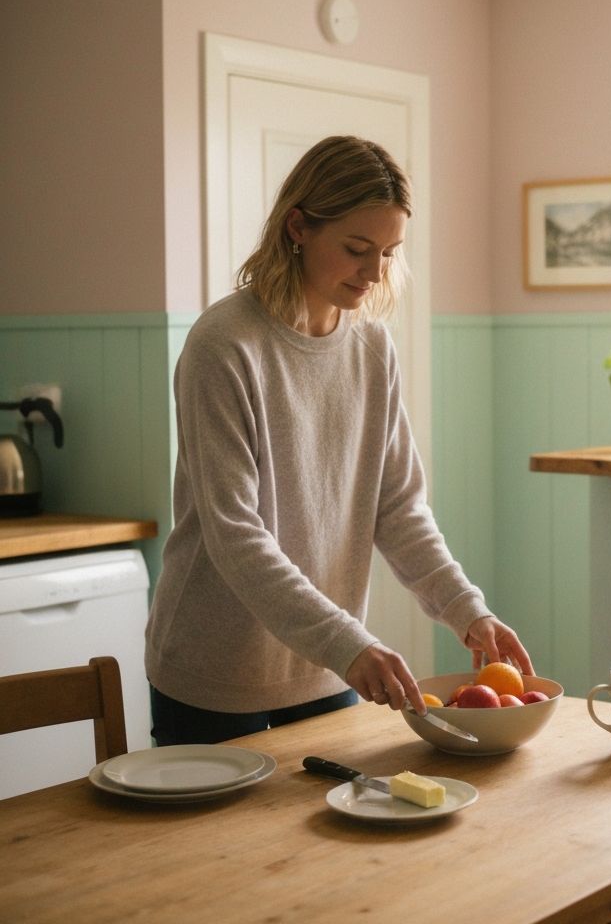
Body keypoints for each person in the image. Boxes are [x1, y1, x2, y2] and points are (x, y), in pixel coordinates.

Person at [145, 135, 533, 745]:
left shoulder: (372, 348)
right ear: (298, 227)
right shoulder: (224, 345)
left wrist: (467, 609)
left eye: (389, 251)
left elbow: (399, 509)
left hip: (325, 671)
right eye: (357, 248)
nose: (375, 272)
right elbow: (235, 534)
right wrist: (351, 644)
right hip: (215, 675)